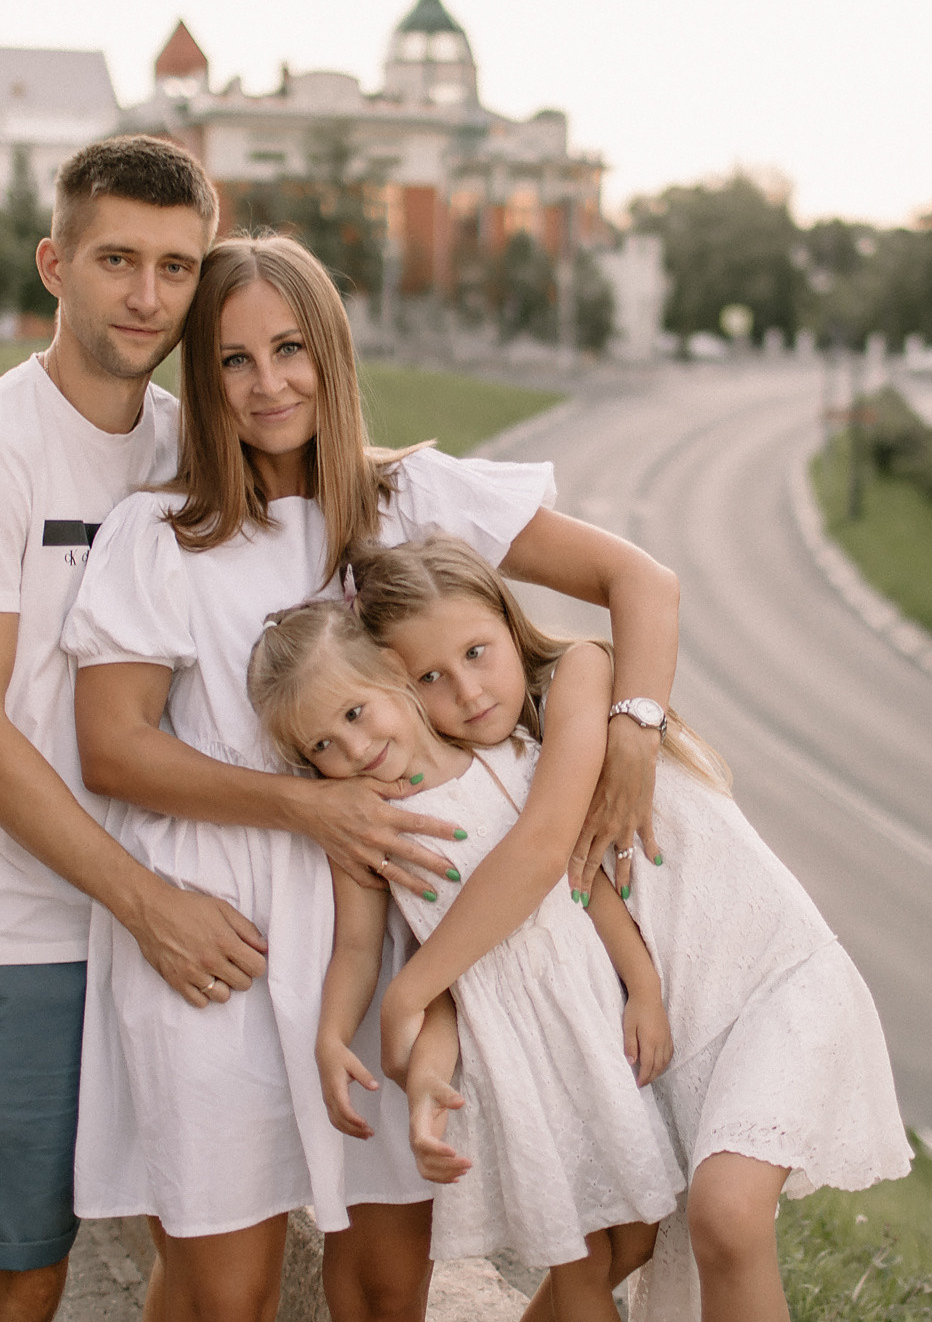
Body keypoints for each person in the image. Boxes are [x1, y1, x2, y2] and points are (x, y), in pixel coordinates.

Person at [62, 233, 680, 1322]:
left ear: (332, 353)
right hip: (220, 933)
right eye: (233, 360)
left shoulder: (414, 497)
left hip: (398, 926)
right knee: (225, 1293)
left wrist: (633, 729)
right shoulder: (158, 534)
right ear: (201, 380)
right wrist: (313, 805)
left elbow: (639, 581)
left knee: (391, 1287)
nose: (268, 384)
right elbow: (114, 747)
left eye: (291, 347)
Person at [0, 136, 277, 1322]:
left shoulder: (188, 445)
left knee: (200, 1249)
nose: (148, 295)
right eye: (118, 259)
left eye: (178, 266)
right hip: (23, 934)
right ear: (55, 263)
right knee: (22, 1273)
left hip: (171, 920)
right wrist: (141, 898)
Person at [353, 534, 913, 1322]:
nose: (469, 690)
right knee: (630, 1246)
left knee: (725, 1216)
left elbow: (547, 848)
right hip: (667, 1019)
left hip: (765, 973)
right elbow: (477, 939)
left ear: (511, 628)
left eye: (479, 651)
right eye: (431, 679)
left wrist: (409, 989)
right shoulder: (476, 781)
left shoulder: (581, 676)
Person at [251, 600, 681, 1322]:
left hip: (591, 1024)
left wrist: (643, 989)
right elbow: (363, 951)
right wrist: (332, 1037)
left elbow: (587, 885)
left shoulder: (507, 759)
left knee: (635, 1237)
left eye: (355, 714)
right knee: (581, 1268)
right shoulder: (368, 827)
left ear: (393, 674)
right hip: (503, 1048)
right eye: (322, 746)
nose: (352, 752)